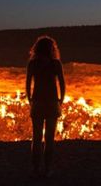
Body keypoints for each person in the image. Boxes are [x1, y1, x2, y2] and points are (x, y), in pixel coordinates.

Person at [25, 35, 65, 177]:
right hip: (52, 103)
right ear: (51, 49)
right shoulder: (56, 64)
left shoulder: (33, 64)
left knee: (36, 138)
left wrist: (30, 100)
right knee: (49, 139)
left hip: (37, 103)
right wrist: (60, 101)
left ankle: (35, 168)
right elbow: (62, 83)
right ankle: (48, 169)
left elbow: (28, 84)